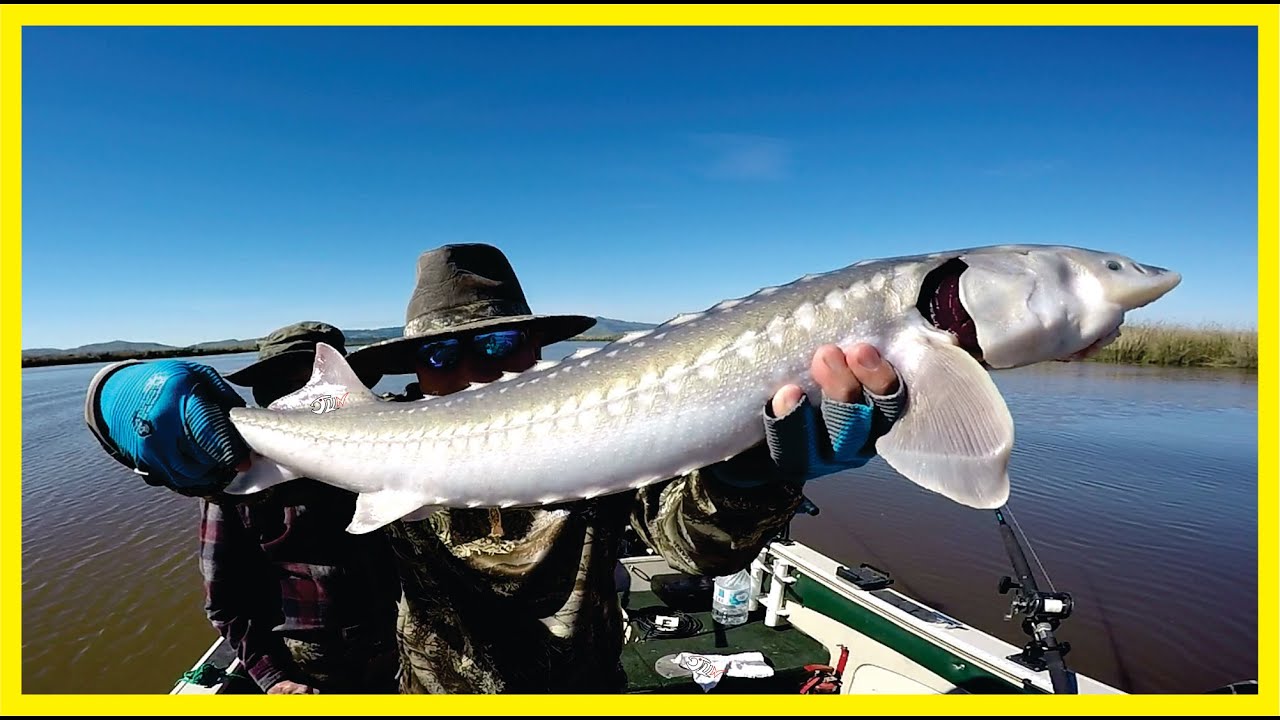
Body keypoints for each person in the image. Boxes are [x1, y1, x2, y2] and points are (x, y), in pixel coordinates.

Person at [339, 244, 906, 693]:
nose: (472, 371)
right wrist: (247, 461)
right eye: (440, 354)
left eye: (496, 342)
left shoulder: (606, 428)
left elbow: (692, 547)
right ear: (413, 369)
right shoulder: (371, 443)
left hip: (585, 687)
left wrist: (752, 475)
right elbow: (278, 516)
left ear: (535, 347)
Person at [84, 321, 401, 694]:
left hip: (399, 639)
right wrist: (274, 677)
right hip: (316, 664)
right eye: (286, 382)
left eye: (319, 381)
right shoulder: (238, 483)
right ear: (266, 394)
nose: (306, 396)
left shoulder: (394, 445)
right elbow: (226, 602)